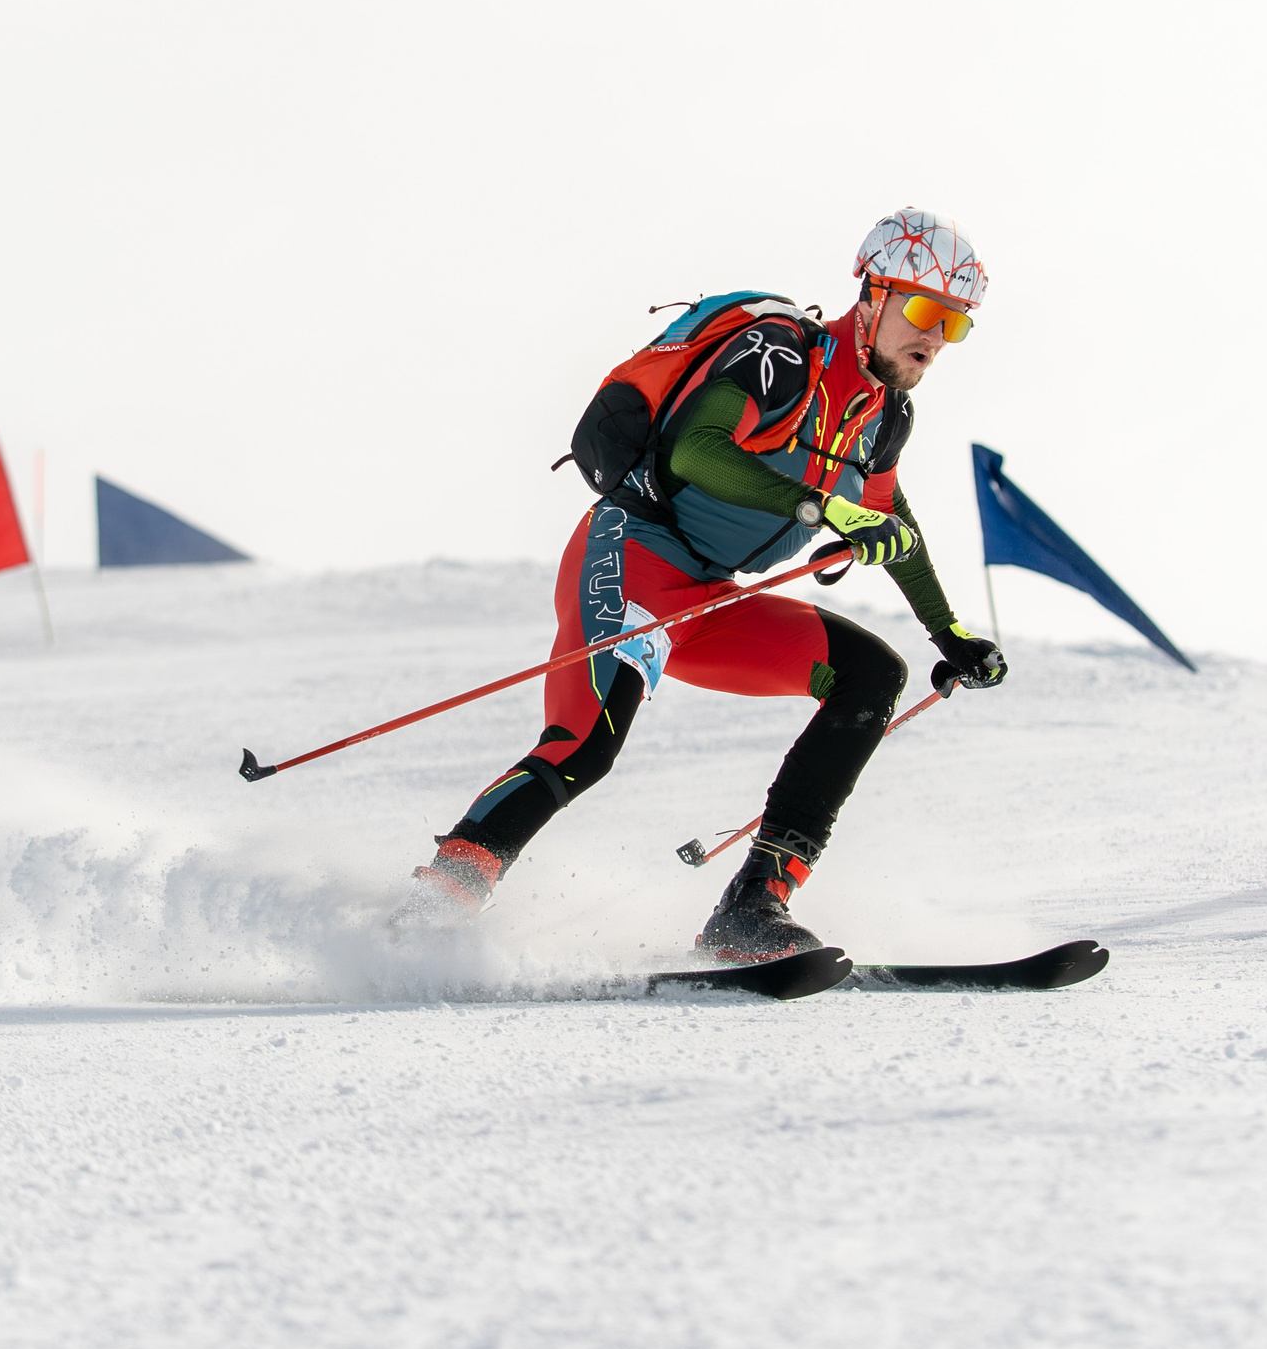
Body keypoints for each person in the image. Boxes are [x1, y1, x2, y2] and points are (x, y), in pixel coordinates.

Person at [404, 208, 1009, 960]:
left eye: (955, 326)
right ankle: (437, 902)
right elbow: (697, 450)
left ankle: (754, 909)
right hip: (635, 556)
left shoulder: (882, 418)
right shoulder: (784, 356)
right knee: (585, 745)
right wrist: (822, 506)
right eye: (923, 311)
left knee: (871, 674)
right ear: (872, 296)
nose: (933, 338)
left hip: (713, 599)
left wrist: (949, 635)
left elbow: (889, 520)